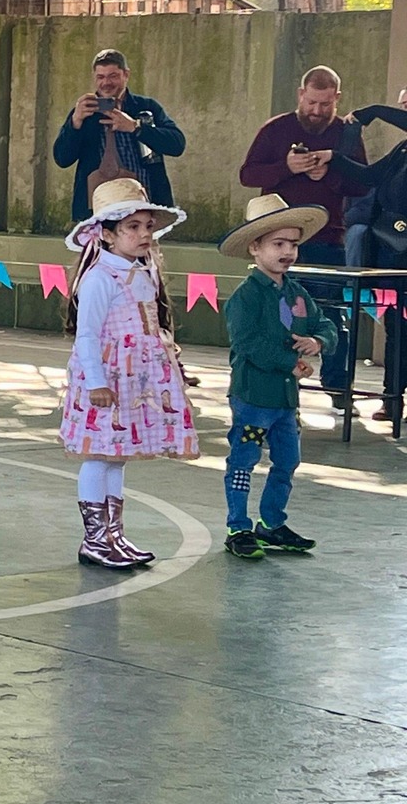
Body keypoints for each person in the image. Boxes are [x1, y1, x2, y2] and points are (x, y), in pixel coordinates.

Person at [58, 177, 198, 570]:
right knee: (98, 456)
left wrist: (170, 365)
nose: (144, 234)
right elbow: (87, 334)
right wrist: (97, 382)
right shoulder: (100, 278)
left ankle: (114, 534)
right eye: (132, 227)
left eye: (148, 226)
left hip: (134, 380)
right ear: (106, 234)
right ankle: (94, 539)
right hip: (107, 378)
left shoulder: (143, 271)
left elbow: (151, 327)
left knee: (118, 456)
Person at [217, 194, 335, 559]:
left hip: (285, 401)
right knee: (244, 460)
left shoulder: (297, 294)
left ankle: (271, 523)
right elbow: (248, 343)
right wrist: (289, 363)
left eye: (293, 244)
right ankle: (238, 526)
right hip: (254, 398)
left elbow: (325, 324)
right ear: (255, 248)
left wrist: (318, 341)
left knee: (287, 460)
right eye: (278, 244)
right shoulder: (246, 297)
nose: (288, 252)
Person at [238, 64, 368, 394]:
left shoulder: (346, 134)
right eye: (311, 102)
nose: (317, 111)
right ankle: (276, 381)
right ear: (300, 94)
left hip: (328, 238)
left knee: (332, 315)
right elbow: (247, 175)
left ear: (337, 98)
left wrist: (330, 175)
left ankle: (338, 387)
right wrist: (286, 167)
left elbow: (364, 184)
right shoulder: (276, 129)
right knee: (274, 315)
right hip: (277, 238)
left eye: (325, 104)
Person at [50, 48, 186, 223]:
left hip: (144, 204)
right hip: (97, 208)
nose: (106, 82)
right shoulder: (85, 111)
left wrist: (135, 127)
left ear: (126, 74)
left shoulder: (146, 107)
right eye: (100, 77)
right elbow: (62, 159)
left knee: (143, 240)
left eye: (113, 76)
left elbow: (177, 145)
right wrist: (75, 122)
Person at [339, 97, 407, 422]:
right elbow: (369, 177)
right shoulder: (403, 150)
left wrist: (376, 111)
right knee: (397, 328)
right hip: (397, 254)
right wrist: (331, 159)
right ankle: (392, 399)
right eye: (403, 105)